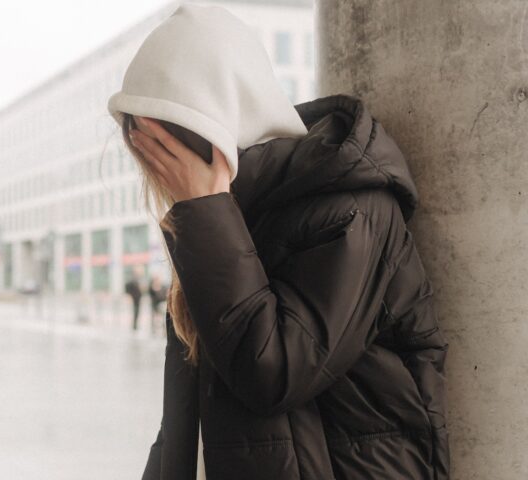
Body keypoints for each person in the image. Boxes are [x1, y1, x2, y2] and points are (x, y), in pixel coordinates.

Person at [108, 5, 448, 479]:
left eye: (168, 151)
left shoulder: (353, 209)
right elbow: (184, 420)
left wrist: (206, 210)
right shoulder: (220, 223)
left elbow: (274, 372)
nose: (161, 174)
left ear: (216, 130)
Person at [124, 266, 144, 331]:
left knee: (137, 312)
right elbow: (127, 288)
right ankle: (134, 326)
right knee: (134, 312)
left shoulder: (140, 279)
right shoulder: (132, 279)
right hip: (133, 299)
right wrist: (129, 296)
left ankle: (135, 326)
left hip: (138, 299)